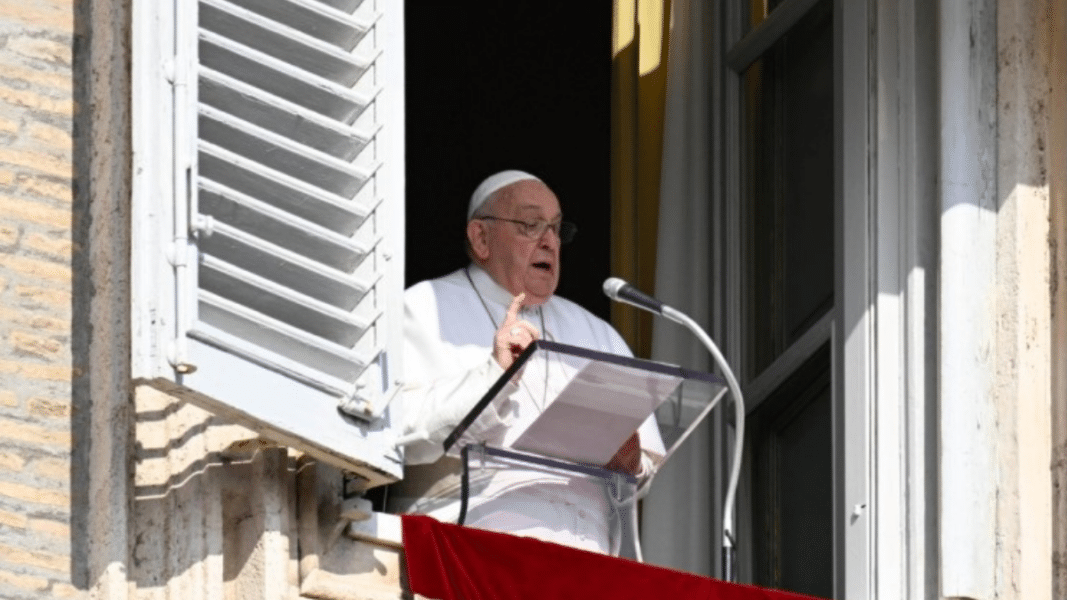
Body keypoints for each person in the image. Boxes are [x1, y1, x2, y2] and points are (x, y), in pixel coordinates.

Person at [389, 170, 665, 554]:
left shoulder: (598, 333)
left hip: (583, 565)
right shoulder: (421, 309)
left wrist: (627, 457)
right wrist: (494, 375)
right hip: (465, 556)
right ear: (481, 238)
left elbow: (642, 471)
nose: (549, 242)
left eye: (556, 228)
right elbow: (396, 434)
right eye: (530, 225)